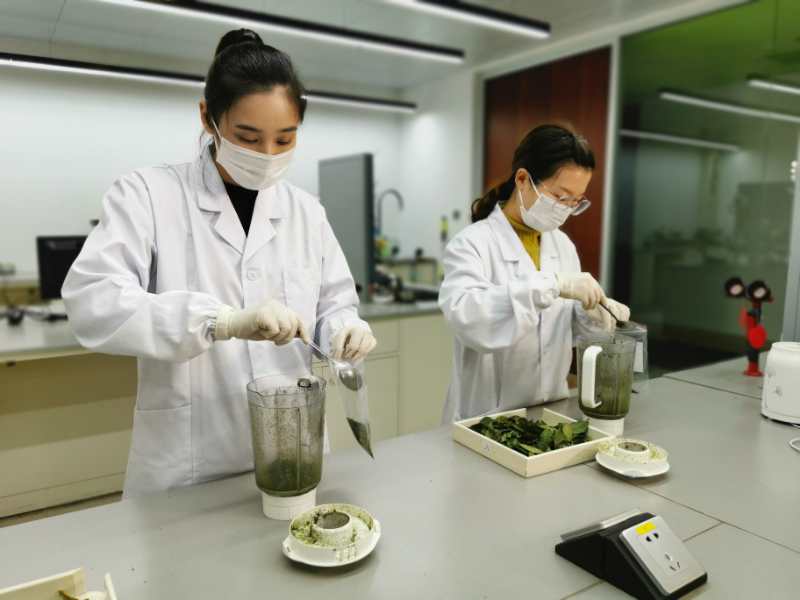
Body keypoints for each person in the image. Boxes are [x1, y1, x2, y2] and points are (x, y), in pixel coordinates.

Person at [62, 29, 376, 497]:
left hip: (293, 444)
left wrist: (343, 329)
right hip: (190, 459)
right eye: (248, 137)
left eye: (284, 139)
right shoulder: (148, 194)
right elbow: (93, 301)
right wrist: (221, 322)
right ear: (207, 117)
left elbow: (334, 302)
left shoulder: (306, 211)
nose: (267, 156)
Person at [438, 124, 629, 422]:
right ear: (523, 180)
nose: (566, 209)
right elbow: (470, 320)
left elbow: (559, 332)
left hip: (550, 410)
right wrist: (551, 285)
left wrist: (590, 315)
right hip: (487, 416)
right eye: (560, 197)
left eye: (576, 201)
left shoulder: (562, 245)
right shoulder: (472, 244)